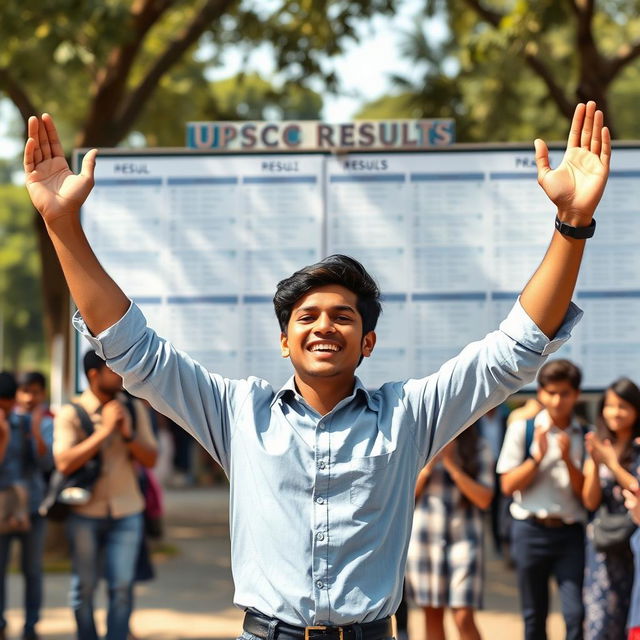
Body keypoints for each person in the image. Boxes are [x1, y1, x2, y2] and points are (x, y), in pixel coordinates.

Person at [23, 102, 609, 639]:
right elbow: (131, 349)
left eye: (343, 317)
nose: (324, 327)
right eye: (307, 317)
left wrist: (572, 226)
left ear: (368, 341)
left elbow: (515, 349)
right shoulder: (238, 412)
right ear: (284, 341)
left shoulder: (409, 414)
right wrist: (61, 225)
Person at [53, 350, 158, 640]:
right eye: (113, 370)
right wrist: (103, 432)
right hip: (85, 513)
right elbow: (63, 462)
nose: (120, 376)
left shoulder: (134, 410)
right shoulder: (70, 413)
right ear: (93, 375)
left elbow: (151, 460)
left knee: (122, 588)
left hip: (127, 512)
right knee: (84, 588)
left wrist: (126, 434)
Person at [497, 359, 589, 640]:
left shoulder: (586, 435)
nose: (557, 400)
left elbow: (587, 495)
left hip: (570, 532)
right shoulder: (522, 430)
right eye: (551, 392)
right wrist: (537, 458)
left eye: (564, 393)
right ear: (540, 393)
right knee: (534, 614)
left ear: (576, 394)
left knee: (575, 614)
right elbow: (508, 485)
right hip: (530, 530)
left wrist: (567, 460)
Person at [406, 426, 493, 640]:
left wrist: (453, 467)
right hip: (425, 541)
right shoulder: (418, 445)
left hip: (465, 540)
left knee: (463, 616)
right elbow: (403, 500)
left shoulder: (479, 447)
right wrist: (428, 468)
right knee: (432, 615)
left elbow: (484, 499)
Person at [582, 378, 640, 640]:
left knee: (631, 618)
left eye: (624, 406)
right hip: (604, 546)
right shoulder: (599, 444)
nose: (616, 413)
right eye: (611, 406)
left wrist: (612, 464)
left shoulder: (638, 446)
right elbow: (590, 502)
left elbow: (636, 488)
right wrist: (595, 464)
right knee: (600, 621)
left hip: (634, 544)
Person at [0, 370, 53, 640]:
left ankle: (31, 627)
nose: (29, 398)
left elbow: (46, 465)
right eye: (24, 392)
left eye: (35, 392)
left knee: (33, 571)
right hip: (1, 511)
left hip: (32, 507)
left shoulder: (36, 423)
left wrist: (34, 434)